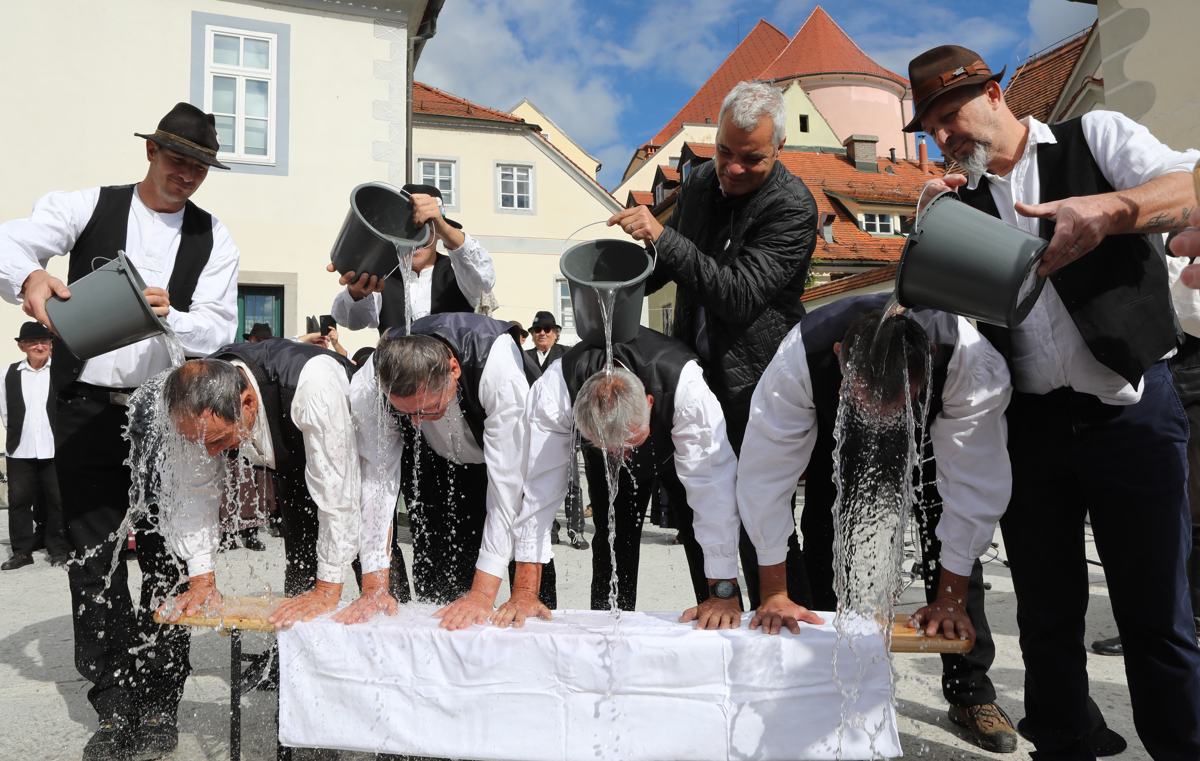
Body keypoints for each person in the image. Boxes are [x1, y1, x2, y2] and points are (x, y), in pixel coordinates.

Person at [907, 44, 1200, 758]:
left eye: (955, 112)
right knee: (1045, 614)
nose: (947, 133)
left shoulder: (1093, 138)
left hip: (1132, 410)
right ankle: (1066, 741)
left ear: (997, 94)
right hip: (1030, 426)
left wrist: (1115, 208)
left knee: (1157, 611)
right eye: (933, 126)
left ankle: (1182, 745)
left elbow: (1191, 183)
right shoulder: (958, 203)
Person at [0, 102, 239, 761]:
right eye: (177, 159)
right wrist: (31, 276)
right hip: (83, 407)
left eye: (199, 165)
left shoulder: (215, 237)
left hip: (166, 412)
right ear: (151, 153)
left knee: (166, 560)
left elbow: (218, 326)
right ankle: (113, 705)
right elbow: (7, 239)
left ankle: (160, 703)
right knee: (94, 561)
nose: (187, 173)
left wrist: (174, 313)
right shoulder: (87, 205)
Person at [737, 295, 1016, 751]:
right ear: (839, 358)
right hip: (839, 436)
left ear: (931, 359)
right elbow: (763, 481)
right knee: (827, 538)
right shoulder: (799, 358)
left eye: (895, 402)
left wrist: (950, 595)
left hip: (932, 435)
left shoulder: (968, 359)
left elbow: (973, 487)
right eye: (872, 400)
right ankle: (828, 680)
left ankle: (970, 693)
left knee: (950, 538)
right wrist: (774, 592)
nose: (883, 417)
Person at [606, 81, 818, 610]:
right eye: (725, 151)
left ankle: (785, 627)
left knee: (760, 516)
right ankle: (716, 610)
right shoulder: (701, 182)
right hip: (693, 376)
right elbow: (668, 264)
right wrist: (614, 282)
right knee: (698, 509)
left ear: (779, 151)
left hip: (758, 383)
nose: (733, 167)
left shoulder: (793, 207)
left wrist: (663, 237)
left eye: (752, 159)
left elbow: (738, 295)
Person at [511, 326, 742, 626]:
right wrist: (524, 591)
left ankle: (715, 605)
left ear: (649, 402)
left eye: (628, 445)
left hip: (674, 448)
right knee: (610, 541)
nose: (622, 457)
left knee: (697, 533)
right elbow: (537, 491)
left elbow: (714, 495)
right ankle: (607, 624)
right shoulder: (557, 388)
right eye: (610, 447)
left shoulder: (685, 387)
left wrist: (724, 593)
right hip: (611, 450)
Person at [345, 312, 554, 629]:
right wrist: (374, 585)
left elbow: (509, 489)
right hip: (439, 463)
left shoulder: (497, 367)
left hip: (515, 466)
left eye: (427, 409)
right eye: (406, 413)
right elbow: (377, 483)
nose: (414, 422)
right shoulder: (367, 383)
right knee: (438, 577)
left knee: (522, 594)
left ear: (453, 369)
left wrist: (482, 595)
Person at [154, 339, 360, 631]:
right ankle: (299, 659)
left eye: (218, 441)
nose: (212, 454)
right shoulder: (196, 402)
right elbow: (194, 492)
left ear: (248, 402)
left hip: (354, 466)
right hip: (291, 466)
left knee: (372, 572)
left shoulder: (313, 384)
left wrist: (326, 591)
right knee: (301, 573)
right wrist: (202, 581)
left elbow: (339, 495)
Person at [328, 184, 494, 333]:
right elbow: (351, 321)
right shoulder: (383, 274)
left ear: (438, 234)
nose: (414, 240)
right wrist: (357, 293)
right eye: (406, 231)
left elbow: (485, 278)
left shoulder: (458, 272)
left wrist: (443, 226)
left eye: (424, 229)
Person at [1, 321, 69, 570]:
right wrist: (19, 436)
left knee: (57, 500)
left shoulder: (60, 371)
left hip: (54, 447)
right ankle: (21, 552)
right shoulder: (8, 374)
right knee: (18, 501)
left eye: (44, 342)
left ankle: (58, 549)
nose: (39, 346)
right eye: (33, 343)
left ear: (51, 345)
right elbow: (6, 413)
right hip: (21, 448)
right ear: (22, 347)